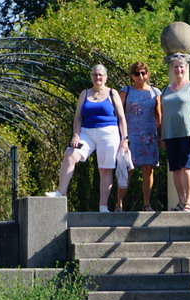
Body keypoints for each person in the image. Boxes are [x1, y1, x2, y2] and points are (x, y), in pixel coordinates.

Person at [55, 64, 130, 212]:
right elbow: (78, 117)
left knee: (105, 169)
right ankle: (61, 192)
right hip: (87, 132)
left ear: (106, 77)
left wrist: (125, 139)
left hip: (108, 132)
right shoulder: (85, 93)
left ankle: (103, 205)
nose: (98, 77)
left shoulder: (112, 93)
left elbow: (121, 118)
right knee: (70, 154)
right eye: (95, 74)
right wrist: (76, 134)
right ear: (91, 77)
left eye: (101, 74)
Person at [118, 61, 162, 212]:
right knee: (126, 169)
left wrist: (161, 135)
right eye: (137, 73)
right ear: (132, 75)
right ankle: (119, 203)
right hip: (130, 136)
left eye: (143, 73)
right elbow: (118, 114)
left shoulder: (155, 92)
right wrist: (120, 135)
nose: (140, 76)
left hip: (149, 135)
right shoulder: (126, 91)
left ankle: (147, 203)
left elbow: (159, 115)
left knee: (148, 169)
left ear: (147, 74)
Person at [160, 53, 190, 211]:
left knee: (186, 167)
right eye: (176, 67)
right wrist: (162, 135)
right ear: (172, 69)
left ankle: (189, 201)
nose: (179, 70)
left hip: (187, 132)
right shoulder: (166, 89)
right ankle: (181, 201)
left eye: (181, 67)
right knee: (175, 168)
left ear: (186, 68)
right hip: (170, 133)